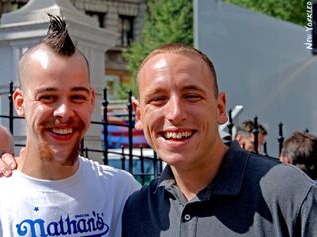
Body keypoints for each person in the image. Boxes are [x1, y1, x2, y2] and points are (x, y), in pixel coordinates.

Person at [0, 14, 141, 237]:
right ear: (20, 103)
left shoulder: (121, 192)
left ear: (91, 101)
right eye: (48, 97)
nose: (64, 112)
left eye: (77, 97)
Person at [121, 43, 317, 236]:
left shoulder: (290, 194)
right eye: (158, 99)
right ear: (139, 115)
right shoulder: (137, 211)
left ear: (220, 108)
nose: (175, 113)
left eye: (191, 96)